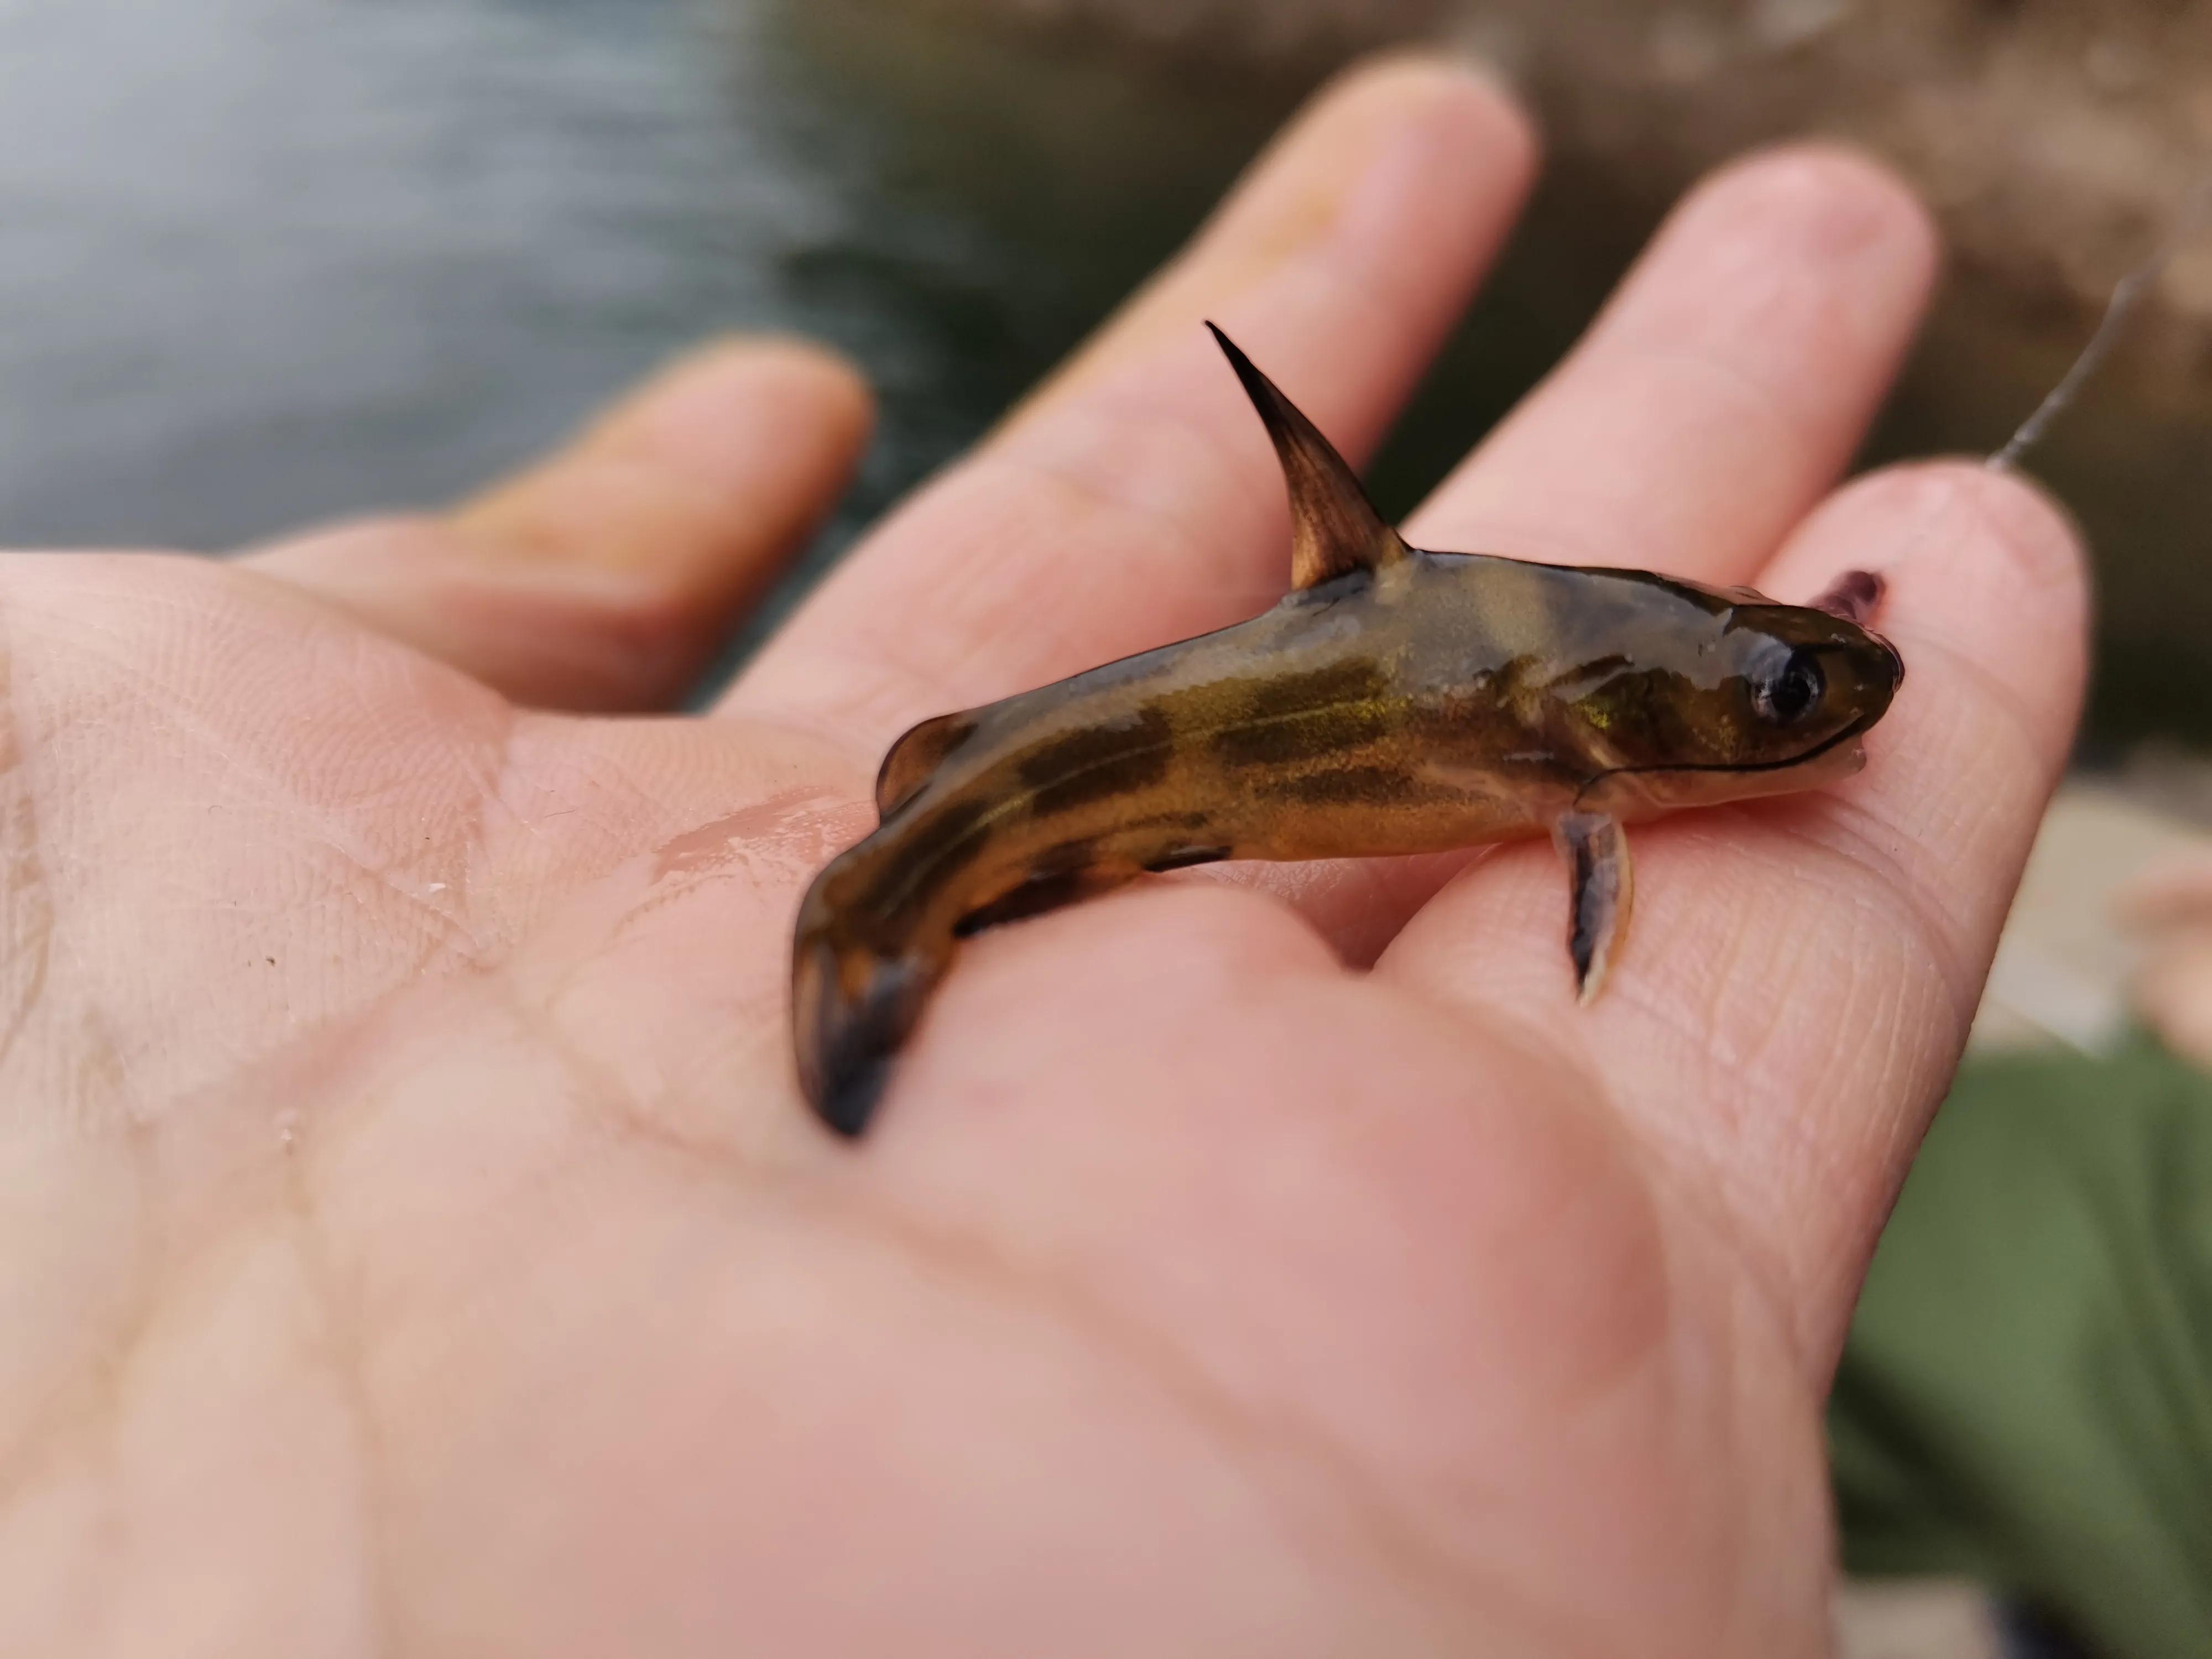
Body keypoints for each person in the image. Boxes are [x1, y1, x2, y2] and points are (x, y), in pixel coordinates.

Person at [0, 54, 2088, 1657]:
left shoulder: (1597, 706)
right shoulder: (1570, 751)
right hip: (1107, 769)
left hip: (1170, 738)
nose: (1834, 709)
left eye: (1798, 679)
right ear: (1602, 751)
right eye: (1786, 697)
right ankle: (892, 930)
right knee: (963, 836)